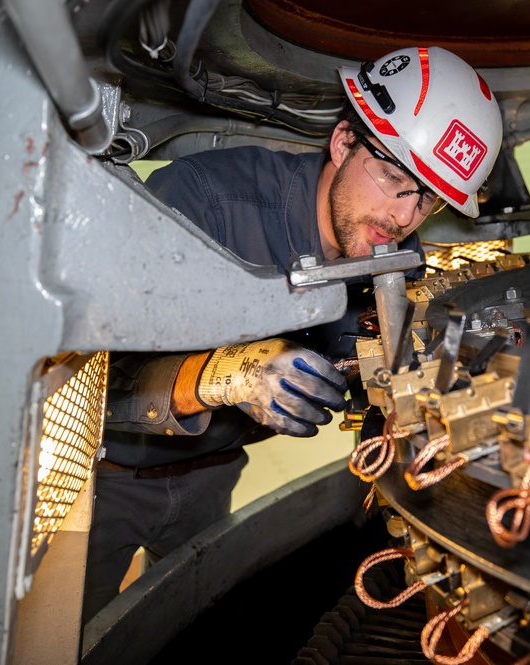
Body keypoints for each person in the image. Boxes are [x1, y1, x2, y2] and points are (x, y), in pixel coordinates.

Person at [83, 45, 503, 622]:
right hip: (106, 482)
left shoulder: (395, 256)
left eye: (426, 198)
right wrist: (224, 375)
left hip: (214, 474)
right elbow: (91, 376)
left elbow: (377, 376)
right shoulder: (203, 202)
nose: (403, 217)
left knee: (192, 630)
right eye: (392, 178)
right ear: (342, 144)